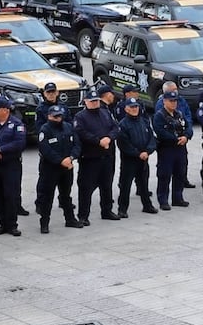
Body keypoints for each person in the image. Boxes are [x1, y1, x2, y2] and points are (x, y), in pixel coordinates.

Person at [0, 97, 27, 236]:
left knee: (10, 195)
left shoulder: (16, 124)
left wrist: (1, 151)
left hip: (10, 164)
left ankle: (12, 225)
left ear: (5, 110)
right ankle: (2, 223)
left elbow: (19, 143)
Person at [75, 87, 120, 224]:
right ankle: (83, 216)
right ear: (86, 101)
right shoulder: (80, 116)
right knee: (86, 188)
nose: (95, 103)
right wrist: (98, 141)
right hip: (90, 158)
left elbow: (115, 127)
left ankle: (107, 211)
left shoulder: (105, 113)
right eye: (92, 101)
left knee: (106, 186)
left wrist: (109, 138)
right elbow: (81, 132)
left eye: (96, 101)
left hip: (106, 156)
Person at [35, 105, 84, 233]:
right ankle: (44, 223)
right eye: (55, 116)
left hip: (67, 167)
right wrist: (61, 161)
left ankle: (70, 219)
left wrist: (72, 157)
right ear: (49, 116)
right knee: (47, 197)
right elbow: (45, 149)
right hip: (50, 169)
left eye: (60, 116)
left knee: (66, 195)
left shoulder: (68, 127)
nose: (58, 118)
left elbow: (77, 144)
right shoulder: (45, 130)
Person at [117, 97, 158, 216]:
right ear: (126, 109)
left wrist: (148, 151)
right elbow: (123, 144)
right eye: (132, 107)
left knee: (144, 184)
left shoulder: (144, 121)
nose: (134, 109)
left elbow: (151, 138)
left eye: (136, 107)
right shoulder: (123, 124)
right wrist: (138, 153)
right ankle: (122, 209)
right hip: (130, 160)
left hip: (144, 158)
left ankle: (147, 205)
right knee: (126, 185)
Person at [154, 89, 192, 208]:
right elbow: (160, 131)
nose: (174, 103)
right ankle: (163, 200)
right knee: (164, 175)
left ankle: (178, 198)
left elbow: (188, 126)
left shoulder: (179, 114)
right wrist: (176, 139)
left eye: (175, 101)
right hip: (167, 149)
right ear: (164, 101)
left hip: (180, 148)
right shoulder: (159, 116)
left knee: (180, 173)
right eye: (171, 101)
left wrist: (186, 136)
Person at [156, 81, 196, 189]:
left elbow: (187, 116)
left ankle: (183, 181)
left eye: (176, 89)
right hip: (169, 143)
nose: (176, 91)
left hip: (182, 138)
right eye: (173, 90)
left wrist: (187, 134)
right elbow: (161, 127)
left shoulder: (181, 100)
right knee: (166, 170)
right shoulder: (161, 104)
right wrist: (176, 137)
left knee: (182, 164)